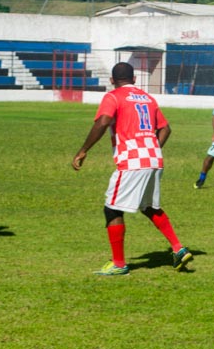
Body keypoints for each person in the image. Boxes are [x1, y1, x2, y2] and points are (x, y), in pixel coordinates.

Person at [72, 62, 192, 276]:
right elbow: (165, 128)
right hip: (154, 159)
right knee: (148, 207)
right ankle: (178, 249)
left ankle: (119, 264)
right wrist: (151, 148)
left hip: (132, 162)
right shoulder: (148, 98)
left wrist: (83, 150)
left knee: (112, 208)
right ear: (134, 79)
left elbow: (103, 122)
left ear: (111, 81)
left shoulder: (113, 96)